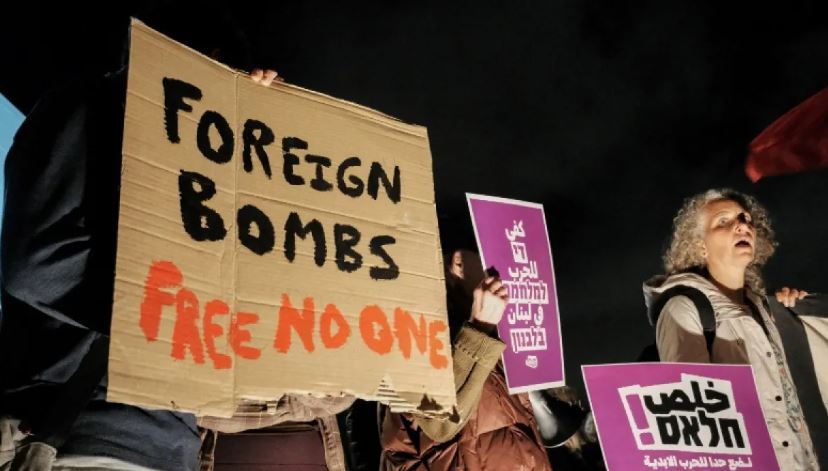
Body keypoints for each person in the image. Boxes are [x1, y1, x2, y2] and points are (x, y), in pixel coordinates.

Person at [0, 10, 282, 470]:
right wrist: (178, 310)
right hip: (76, 431)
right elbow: (39, 264)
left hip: (169, 443)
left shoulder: (215, 168)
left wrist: (269, 138)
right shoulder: (87, 110)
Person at [643, 188, 819, 469]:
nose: (742, 225)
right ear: (700, 245)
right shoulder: (684, 309)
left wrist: (800, 316)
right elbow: (697, 421)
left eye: (745, 218)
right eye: (723, 221)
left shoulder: (768, 309)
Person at [379, 249, 552, 470]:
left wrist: (482, 329)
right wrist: (479, 326)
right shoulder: (416, 329)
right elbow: (442, 423)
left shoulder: (491, 332)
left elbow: (441, 422)